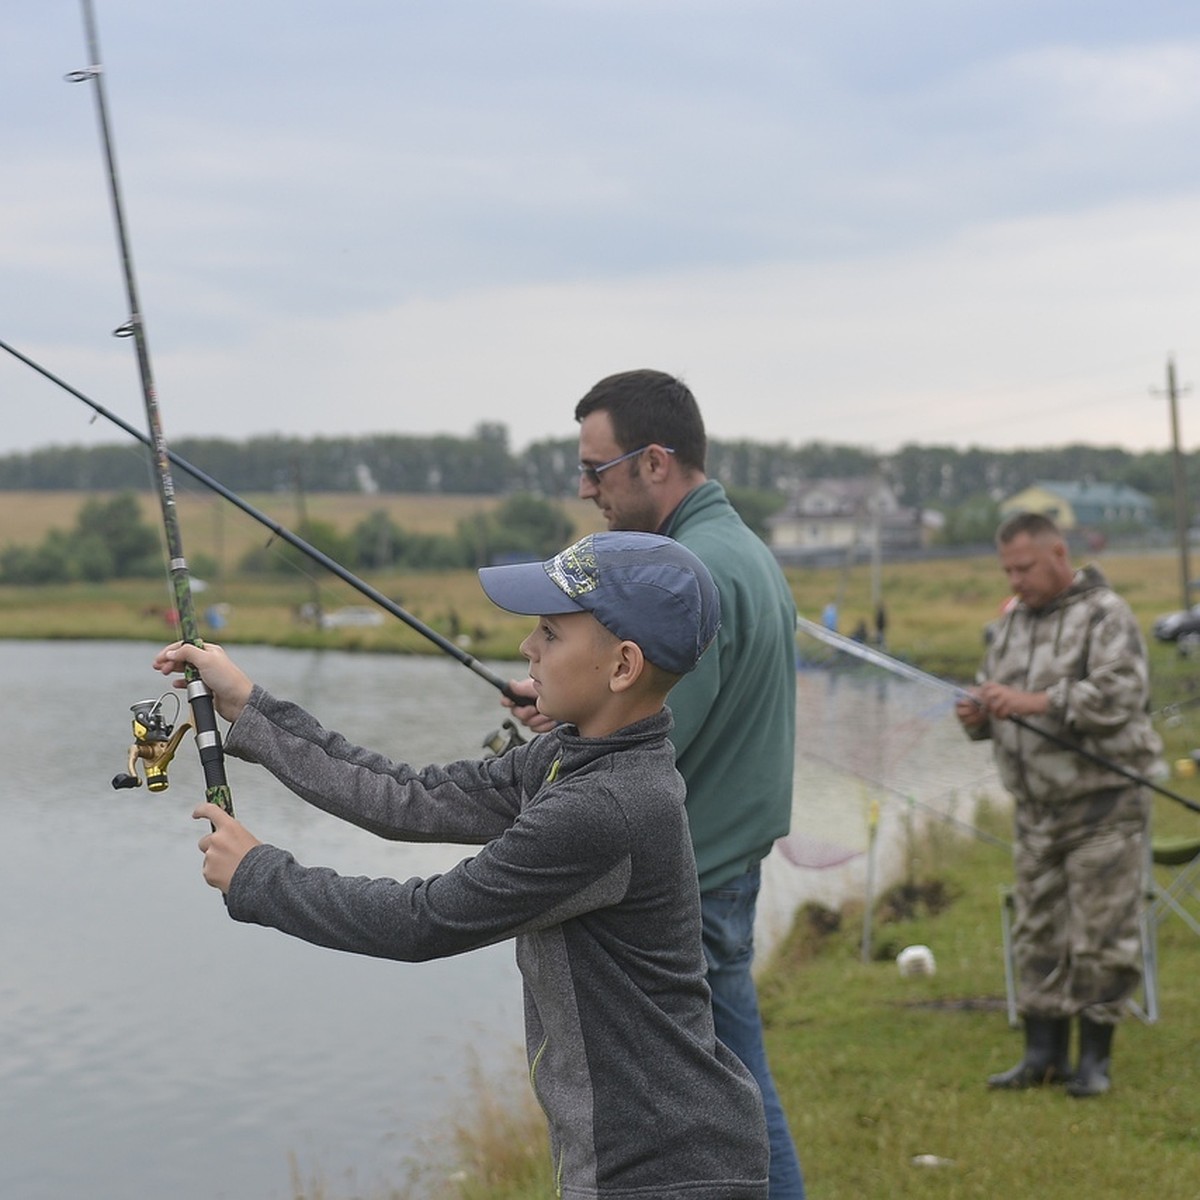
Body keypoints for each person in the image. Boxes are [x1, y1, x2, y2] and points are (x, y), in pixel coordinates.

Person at [156, 531, 770, 1199]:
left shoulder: (605, 807)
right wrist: (253, 709)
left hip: (663, 1172)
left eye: (550, 634)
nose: (526, 649)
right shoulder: (569, 761)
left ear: (622, 666)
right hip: (647, 1155)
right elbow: (412, 796)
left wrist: (259, 877)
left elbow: (425, 922)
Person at [505, 370, 804, 1197]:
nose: (585, 487)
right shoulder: (742, 552)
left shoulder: (687, 574)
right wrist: (564, 701)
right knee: (736, 1091)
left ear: (655, 462)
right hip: (725, 867)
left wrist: (572, 720)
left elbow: (647, 731)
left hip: (692, 884)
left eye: (596, 468)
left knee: (731, 1109)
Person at [955, 511, 1163, 1098]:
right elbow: (998, 701)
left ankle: (1094, 1059)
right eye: (1007, 570)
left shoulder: (1106, 614)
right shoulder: (1009, 623)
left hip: (1103, 804)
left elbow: (1120, 696)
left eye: (1024, 567)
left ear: (1059, 554)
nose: (1015, 579)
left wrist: (1032, 701)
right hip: (1035, 809)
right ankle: (1042, 1055)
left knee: (1102, 933)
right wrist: (978, 714)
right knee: (1037, 931)